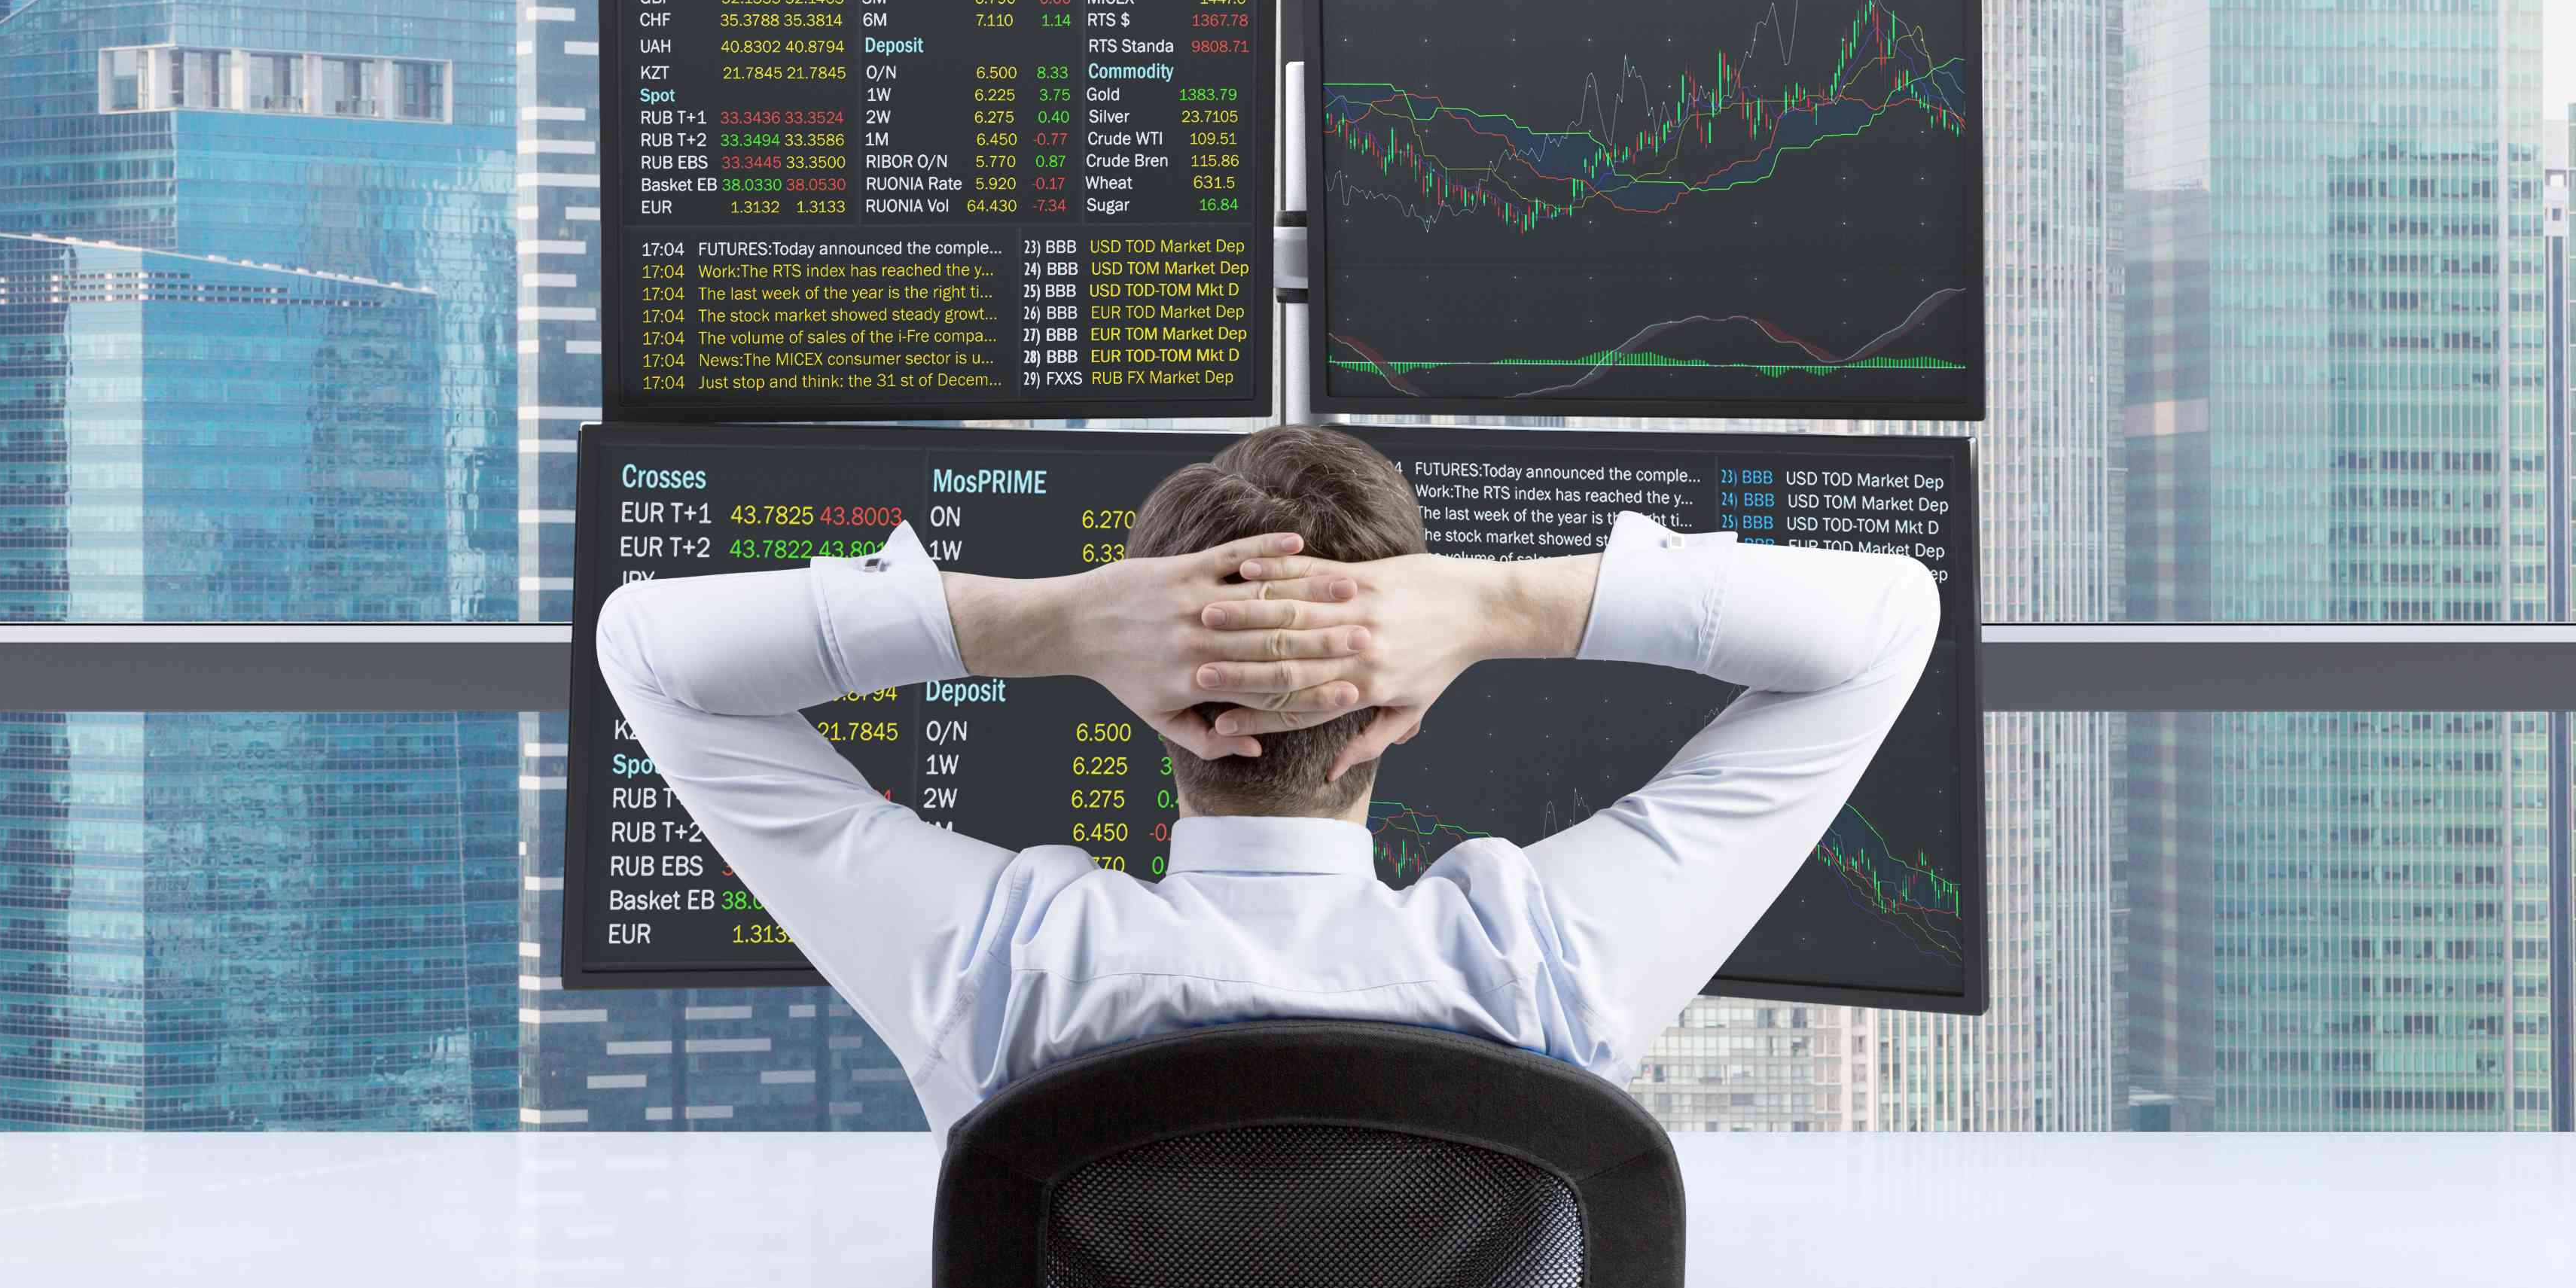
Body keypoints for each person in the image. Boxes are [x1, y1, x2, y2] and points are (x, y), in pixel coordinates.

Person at [593, 424, 1937, 1131]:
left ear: (1146, 707)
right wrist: (1499, 605)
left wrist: (1056, 624)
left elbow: (648, 655)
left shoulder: (1009, 976)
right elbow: (1887, 625)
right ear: (1400, 717)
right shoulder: (1543, 970)